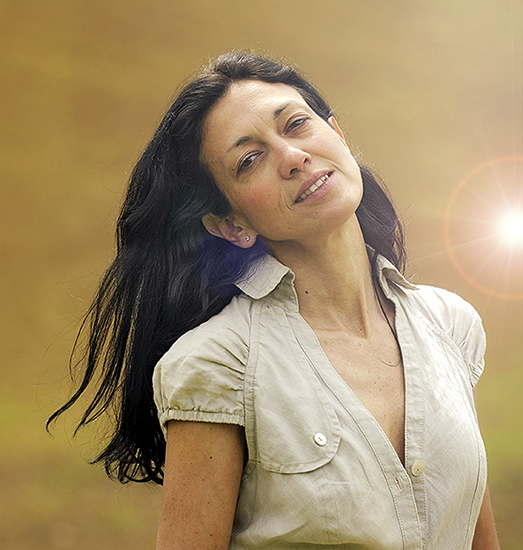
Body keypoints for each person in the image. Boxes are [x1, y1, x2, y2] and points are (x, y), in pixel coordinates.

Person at [48, 51, 500, 549]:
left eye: (297, 124)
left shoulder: (449, 325)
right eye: (249, 159)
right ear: (230, 224)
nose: (292, 157)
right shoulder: (220, 363)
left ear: (338, 134)